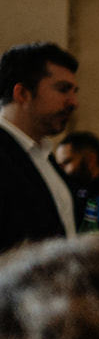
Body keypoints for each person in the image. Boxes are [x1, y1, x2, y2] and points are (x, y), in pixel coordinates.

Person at [0, 42, 78, 252]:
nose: (73, 102)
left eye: (74, 91)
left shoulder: (44, 157)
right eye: (63, 90)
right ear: (22, 93)